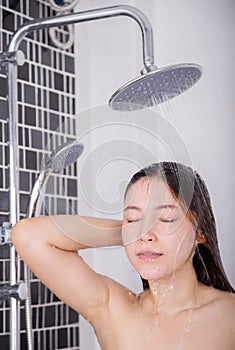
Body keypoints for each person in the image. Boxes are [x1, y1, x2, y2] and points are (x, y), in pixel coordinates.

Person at [12, 162, 235, 349]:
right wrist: (131, 234)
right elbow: (27, 235)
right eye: (133, 219)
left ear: (201, 232)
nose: (146, 234)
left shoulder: (229, 317)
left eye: (165, 218)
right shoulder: (112, 311)